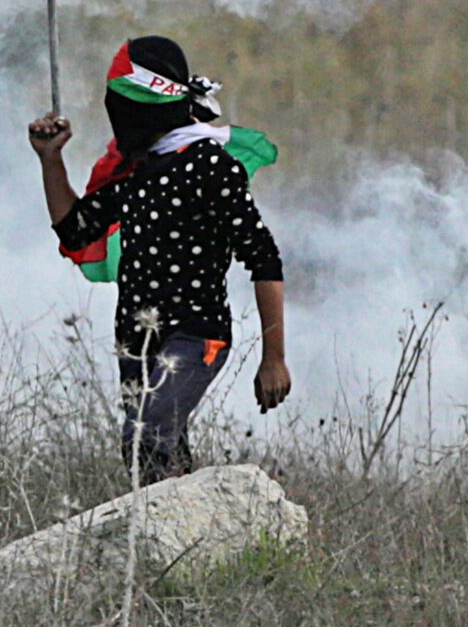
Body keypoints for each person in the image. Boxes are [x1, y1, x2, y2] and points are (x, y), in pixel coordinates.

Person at [28, 35, 291, 482]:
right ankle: (182, 541)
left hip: (197, 335)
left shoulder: (210, 166)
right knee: (158, 454)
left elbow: (263, 258)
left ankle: (163, 535)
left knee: (147, 437)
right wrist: (50, 160)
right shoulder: (135, 173)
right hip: (135, 341)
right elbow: (74, 229)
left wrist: (274, 357)